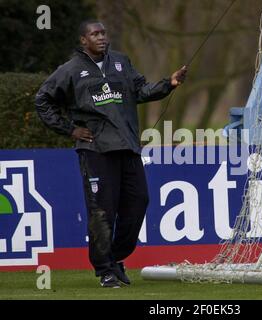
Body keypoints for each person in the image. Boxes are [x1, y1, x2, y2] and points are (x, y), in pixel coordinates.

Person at [35, 20, 187, 288]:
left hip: (127, 145)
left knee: (138, 202)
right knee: (102, 212)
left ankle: (116, 257)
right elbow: (42, 100)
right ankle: (105, 270)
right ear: (83, 40)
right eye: (95, 34)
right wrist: (70, 130)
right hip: (96, 150)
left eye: (103, 32)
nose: (101, 37)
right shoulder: (70, 70)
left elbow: (140, 90)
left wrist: (169, 84)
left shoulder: (121, 62)